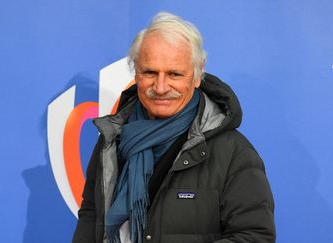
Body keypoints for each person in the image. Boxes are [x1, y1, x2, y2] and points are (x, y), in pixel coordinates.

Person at [72, 12, 275, 243]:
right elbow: (91, 215)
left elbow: (254, 236)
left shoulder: (234, 153)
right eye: (150, 72)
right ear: (136, 73)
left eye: (174, 74)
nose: (160, 87)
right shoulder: (112, 138)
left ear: (197, 75)